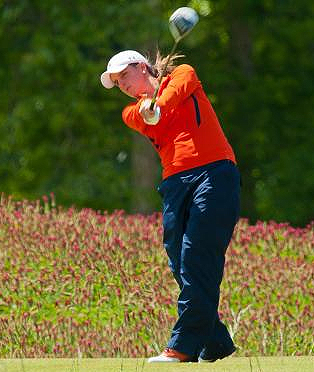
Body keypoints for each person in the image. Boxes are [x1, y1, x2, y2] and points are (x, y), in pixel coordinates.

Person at [100, 50, 240, 363]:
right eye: (116, 82)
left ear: (140, 66)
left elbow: (174, 93)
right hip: (176, 184)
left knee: (196, 256)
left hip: (214, 173)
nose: (122, 84)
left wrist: (158, 103)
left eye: (124, 76)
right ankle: (215, 342)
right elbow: (148, 117)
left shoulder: (183, 74)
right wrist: (151, 108)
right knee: (180, 262)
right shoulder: (132, 113)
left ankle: (182, 347)